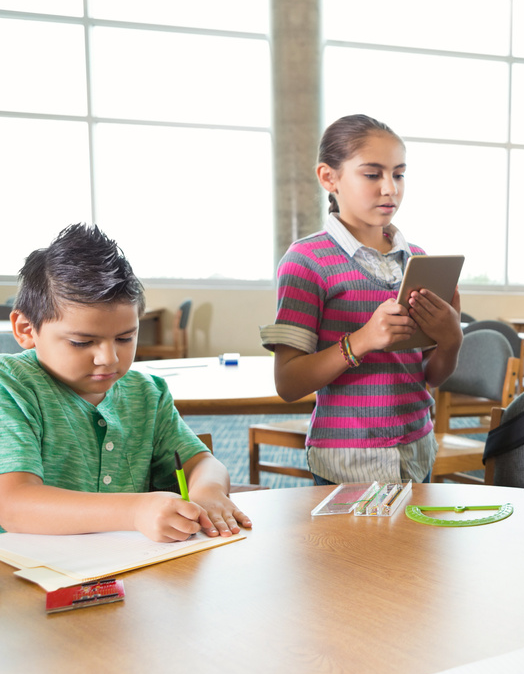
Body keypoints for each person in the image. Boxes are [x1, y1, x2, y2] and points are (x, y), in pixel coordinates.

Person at [0, 224, 251, 542]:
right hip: (26, 573)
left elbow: (201, 461)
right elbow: (13, 504)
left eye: (124, 337)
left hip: (125, 568)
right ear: (25, 329)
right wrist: (134, 511)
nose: (108, 358)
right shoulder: (10, 387)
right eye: (81, 342)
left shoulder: (146, 393)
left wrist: (207, 490)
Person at [260, 114, 461, 485]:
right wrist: (363, 340)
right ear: (329, 178)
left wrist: (451, 339)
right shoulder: (306, 262)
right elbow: (288, 383)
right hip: (347, 459)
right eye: (373, 174)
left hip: (417, 449)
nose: (390, 189)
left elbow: (431, 375)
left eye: (399, 174)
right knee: (356, 547)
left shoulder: (417, 258)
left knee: (417, 545)